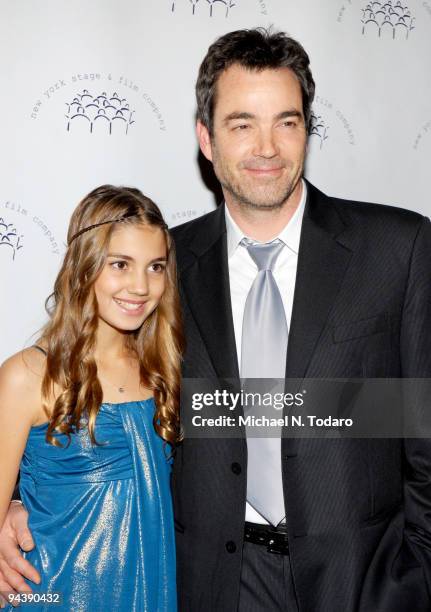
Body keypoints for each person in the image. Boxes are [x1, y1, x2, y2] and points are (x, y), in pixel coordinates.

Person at [2, 27, 431, 612]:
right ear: (206, 138)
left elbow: (423, 431)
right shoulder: (160, 269)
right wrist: (19, 505)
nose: (267, 147)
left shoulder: (397, 249)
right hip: (210, 584)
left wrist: (419, 572)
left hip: (363, 583)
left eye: (287, 121)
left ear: (308, 129)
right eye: (241, 124)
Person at [0, 185, 183, 610]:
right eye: (120, 264)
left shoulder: (163, 373)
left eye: (155, 267)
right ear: (85, 265)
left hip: (151, 593)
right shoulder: (27, 376)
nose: (140, 286)